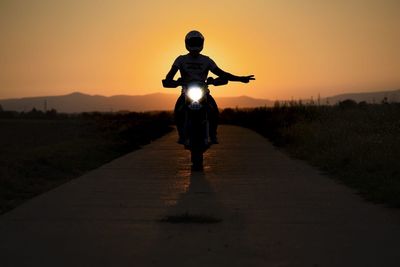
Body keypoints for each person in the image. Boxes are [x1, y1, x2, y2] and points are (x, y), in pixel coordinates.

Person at [162, 30, 255, 144]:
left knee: (214, 109)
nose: (195, 43)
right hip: (186, 92)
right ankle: (181, 134)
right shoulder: (181, 59)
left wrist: (240, 78)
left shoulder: (207, 60)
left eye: (197, 41)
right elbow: (170, 75)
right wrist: (172, 81)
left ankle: (213, 134)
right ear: (187, 43)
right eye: (193, 41)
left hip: (203, 91)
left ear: (201, 43)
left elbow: (222, 74)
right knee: (178, 110)